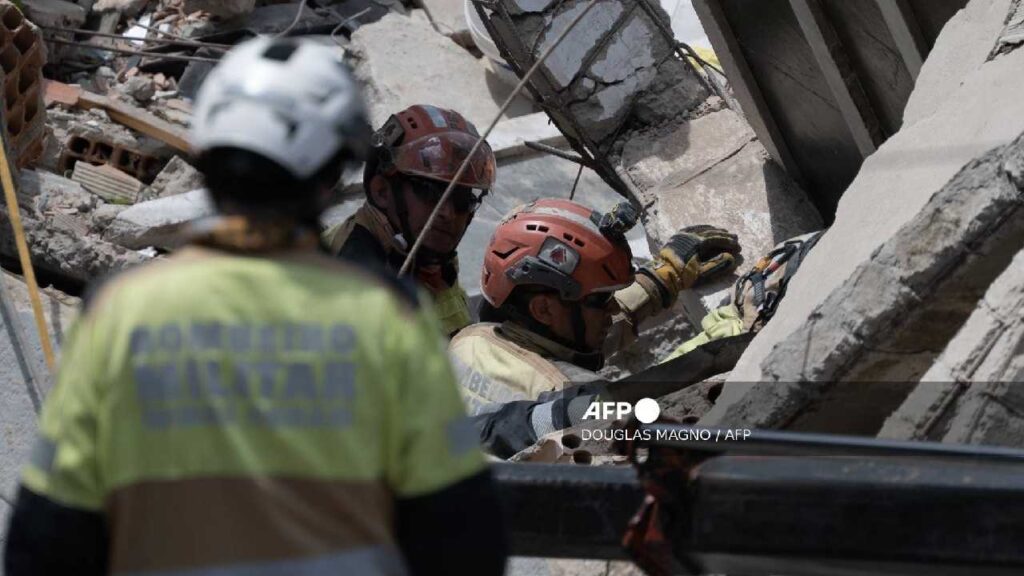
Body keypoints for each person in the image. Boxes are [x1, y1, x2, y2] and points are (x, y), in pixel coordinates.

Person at [4, 37, 506, 576]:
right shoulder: (386, 318)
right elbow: (465, 541)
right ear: (332, 174)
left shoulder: (123, 312)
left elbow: (46, 542)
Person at [449, 199, 740, 434]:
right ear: (543, 309)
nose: (613, 309)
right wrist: (731, 333)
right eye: (602, 299)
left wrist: (658, 282)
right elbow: (663, 405)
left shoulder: (470, 339)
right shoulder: (572, 395)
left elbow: (571, 339)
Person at [322, 104, 497, 336]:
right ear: (382, 191)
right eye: (430, 193)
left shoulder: (424, 254)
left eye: (462, 199)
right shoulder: (353, 289)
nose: (449, 213)